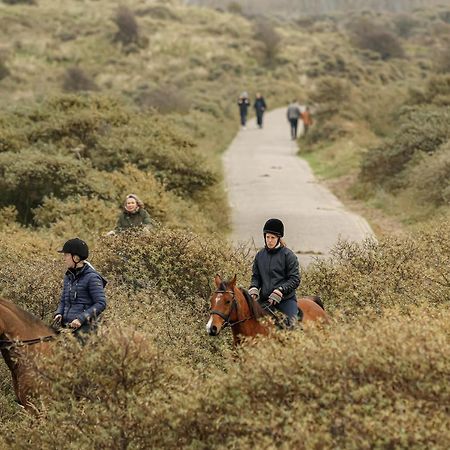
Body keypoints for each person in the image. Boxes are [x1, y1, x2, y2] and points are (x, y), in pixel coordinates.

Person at [248, 218, 300, 329]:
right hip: (265, 300)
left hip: (286, 300)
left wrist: (280, 290)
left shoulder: (289, 256)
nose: (269, 240)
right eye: (267, 237)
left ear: (278, 238)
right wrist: (254, 288)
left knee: (293, 326)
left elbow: (295, 279)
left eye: (273, 238)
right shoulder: (260, 256)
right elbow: (256, 277)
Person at [53, 238, 107, 342]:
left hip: (86, 329)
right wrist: (59, 313)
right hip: (67, 327)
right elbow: (63, 300)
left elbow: (101, 303)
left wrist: (81, 319)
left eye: (66, 255)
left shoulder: (92, 278)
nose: (64, 258)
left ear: (76, 258)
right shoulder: (68, 276)